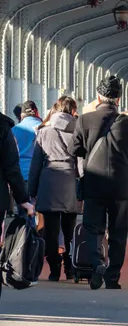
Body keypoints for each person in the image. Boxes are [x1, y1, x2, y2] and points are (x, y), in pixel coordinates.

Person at [69, 76, 128, 290]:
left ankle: (96, 265)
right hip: (121, 187)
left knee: (93, 228)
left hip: (94, 184)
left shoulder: (84, 120)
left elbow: (73, 151)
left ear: (98, 97)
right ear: (118, 99)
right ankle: (113, 276)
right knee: (118, 232)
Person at [27, 96, 81, 281]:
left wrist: (31, 190)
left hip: (48, 180)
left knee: (50, 230)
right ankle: (71, 267)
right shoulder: (78, 131)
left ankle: (54, 270)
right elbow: (81, 161)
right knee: (70, 229)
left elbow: (35, 165)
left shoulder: (44, 132)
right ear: (73, 111)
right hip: (70, 180)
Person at [11, 101, 42, 192]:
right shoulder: (45, 128)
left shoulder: (14, 130)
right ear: (36, 112)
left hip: (20, 174)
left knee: (23, 204)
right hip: (41, 175)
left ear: (22, 115)